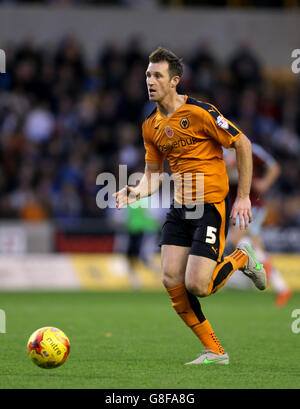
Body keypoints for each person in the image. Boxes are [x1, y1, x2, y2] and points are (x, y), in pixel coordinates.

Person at [113, 47, 267, 365]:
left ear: (174, 81)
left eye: (157, 75)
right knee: (171, 279)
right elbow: (154, 174)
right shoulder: (149, 126)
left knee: (198, 285)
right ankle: (215, 351)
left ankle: (242, 258)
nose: (150, 81)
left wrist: (242, 197)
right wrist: (137, 191)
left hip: (209, 205)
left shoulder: (201, 113)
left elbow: (243, 143)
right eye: (147, 75)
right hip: (180, 207)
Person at [224, 143, 292, 306]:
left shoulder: (251, 149)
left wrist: (265, 183)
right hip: (237, 205)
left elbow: (274, 167)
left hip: (252, 204)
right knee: (254, 244)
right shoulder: (222, 152)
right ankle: (281, 286)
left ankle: (257, 267)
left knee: (235, 239)